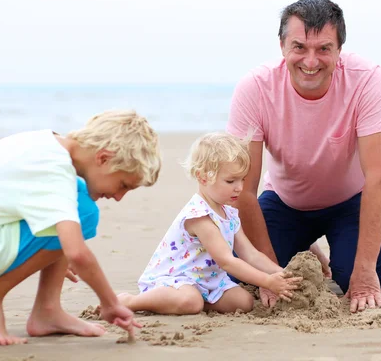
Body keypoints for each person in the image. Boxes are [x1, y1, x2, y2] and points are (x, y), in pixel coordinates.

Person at [226, 0, 381, 313]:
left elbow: (379, 177)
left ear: (339, 50)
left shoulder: (366, 79)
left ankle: (363, 260)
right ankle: (303, 240)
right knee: (240, 269)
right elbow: (243, 189)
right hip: (285, 200)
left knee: (362, 276)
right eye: (299, 47)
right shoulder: (255, 88)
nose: (311, 61)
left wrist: (365, 272)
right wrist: (268, 273)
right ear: (282, 46)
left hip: (351, 201)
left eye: (323, 48)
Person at [0, 110, 161, 345]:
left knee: (73, 205)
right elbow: (78, 254)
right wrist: (110, 303)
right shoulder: (53, 169)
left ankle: (48, 311)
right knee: (84, 213)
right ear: (103, 158)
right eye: (123, 185)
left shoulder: (50, 146)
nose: (118, 197)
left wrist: (55, 248)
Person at [114, 132, 301, 315]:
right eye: (230, 181)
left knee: (244, 302)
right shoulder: (200, 216)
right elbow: (227, 262)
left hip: (208, 280)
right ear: (203, 177)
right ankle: (130, 301)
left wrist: (281, 273)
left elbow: (250, 254)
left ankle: (197, 302)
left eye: (242, 179)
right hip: (176, 280)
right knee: (190, 300)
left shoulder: (229, 213)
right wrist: (267, 281)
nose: (240, 187)